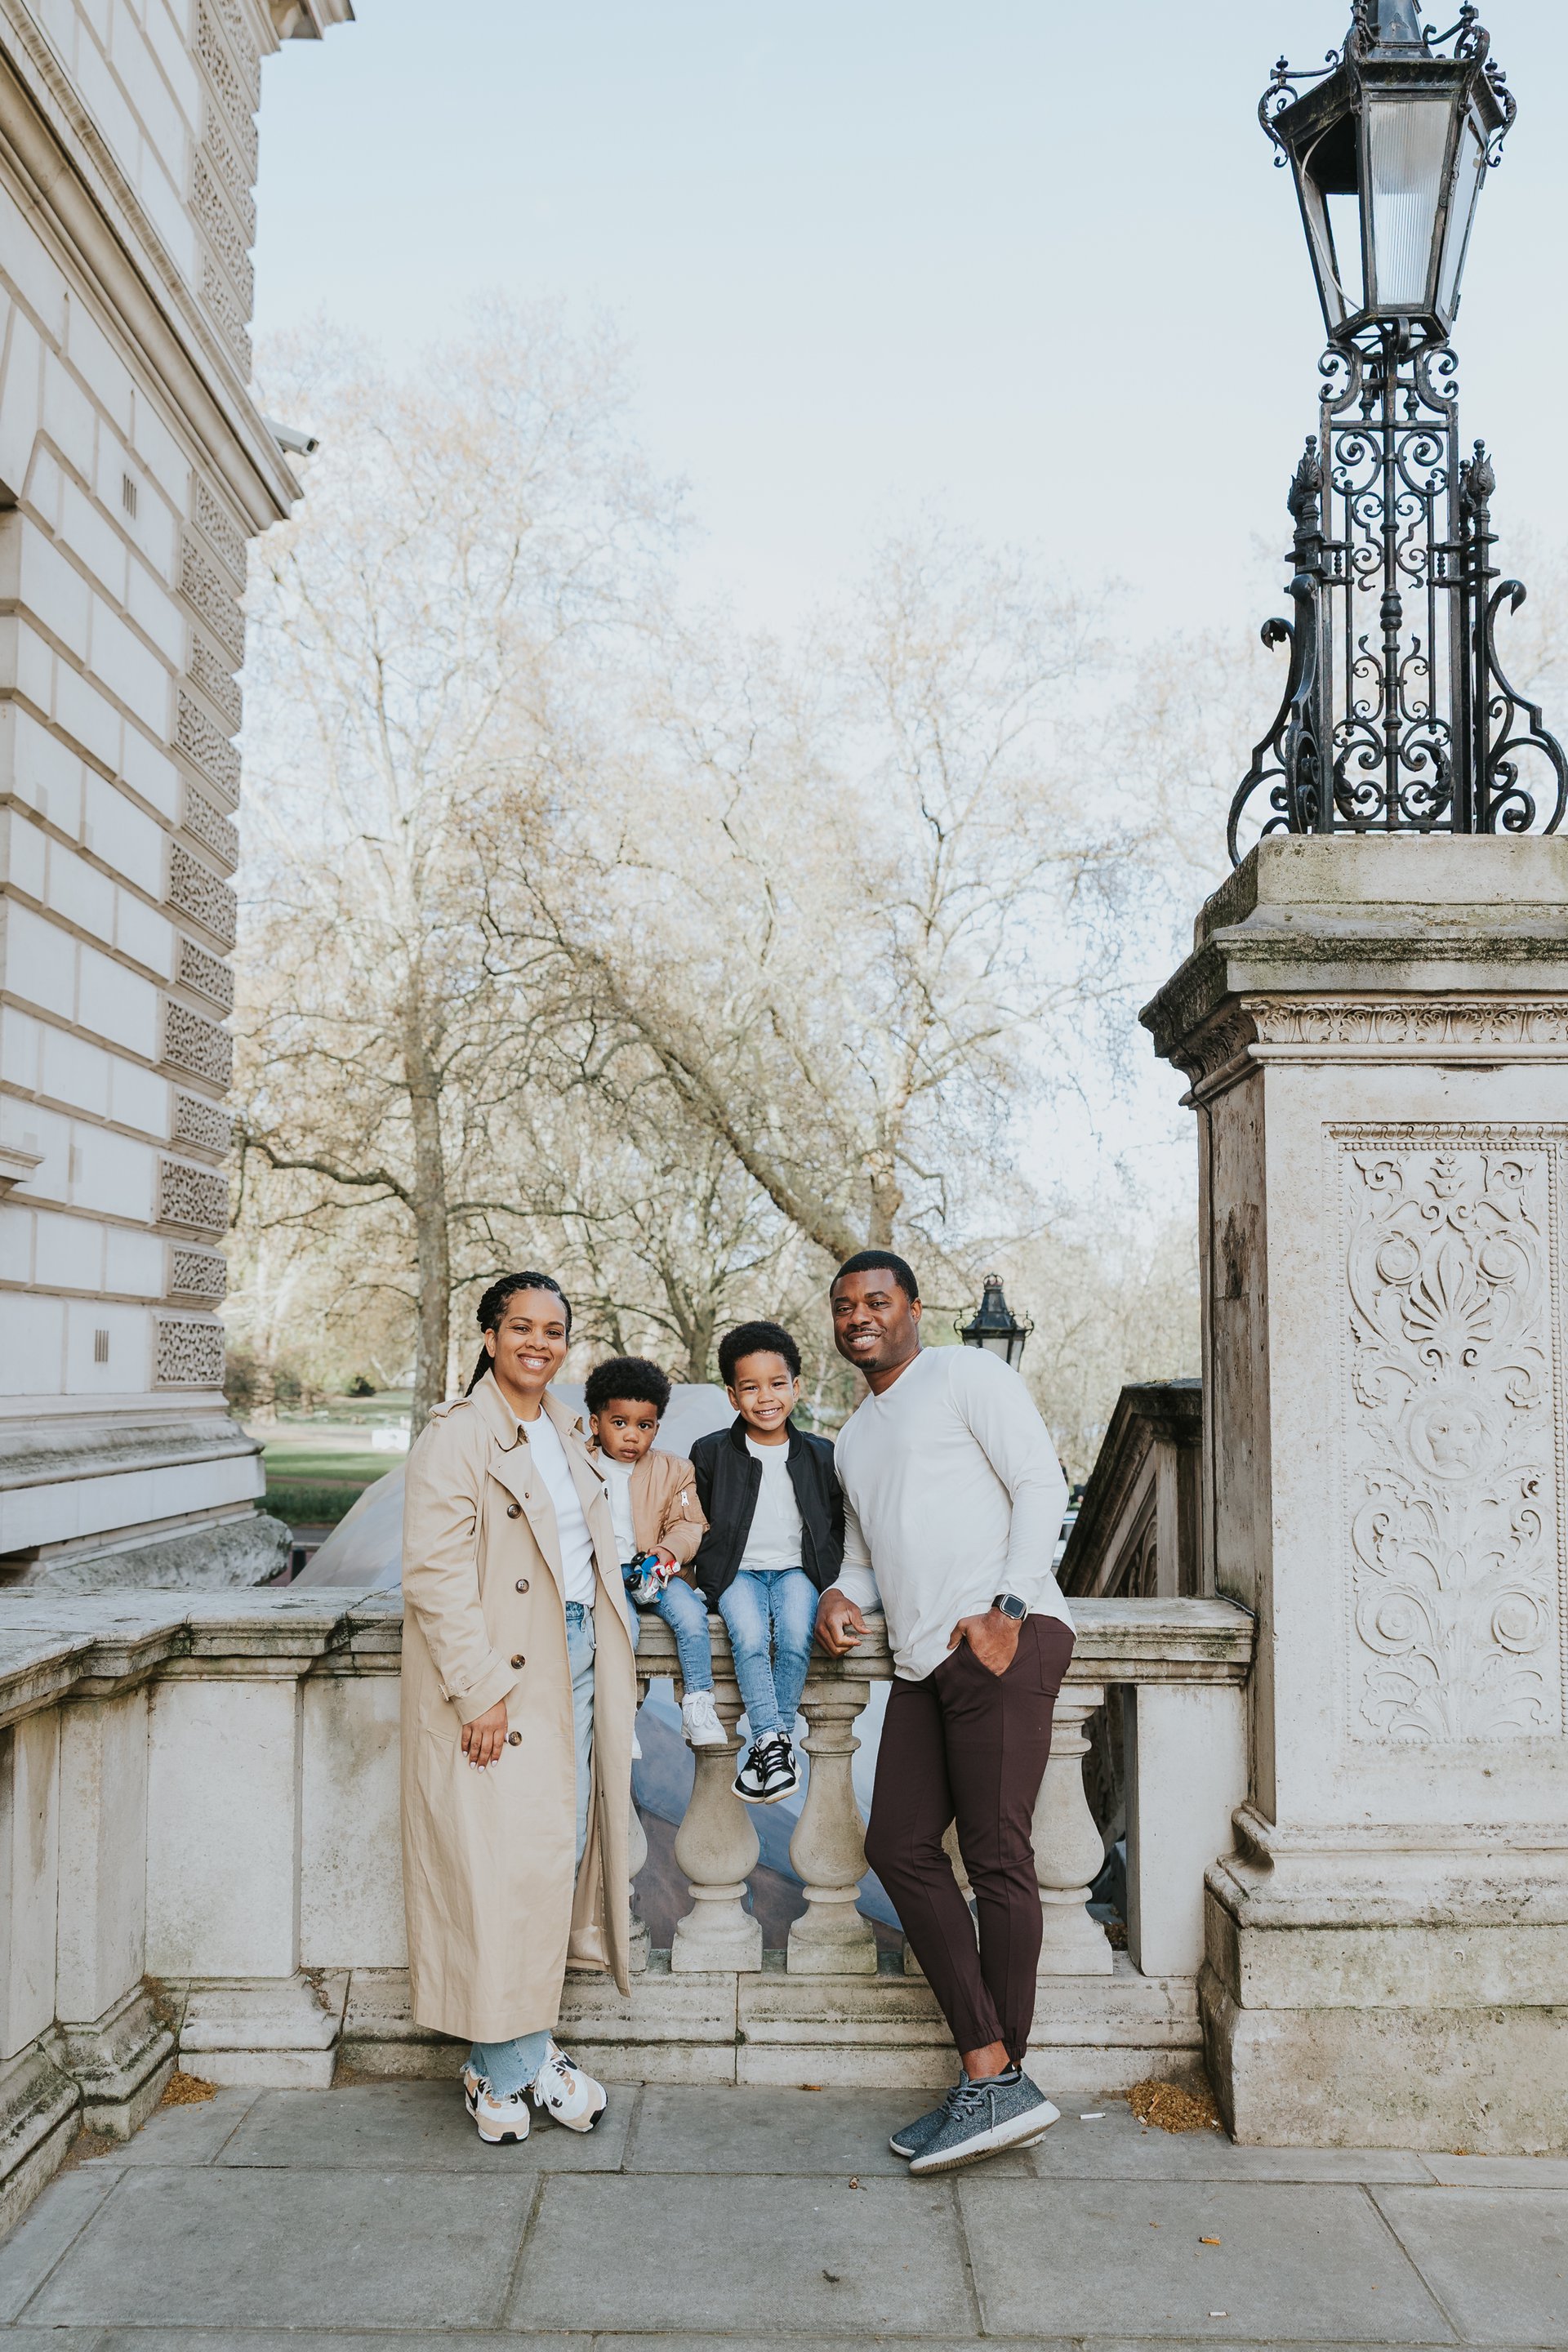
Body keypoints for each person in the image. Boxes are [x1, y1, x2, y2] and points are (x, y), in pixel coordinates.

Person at [815, 1250, 1075, 2177]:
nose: (859, 1317)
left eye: (877, 1301)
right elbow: (862, 1556)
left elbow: (1043, 1484)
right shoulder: (852, 1439)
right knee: (898, 1846)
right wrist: (838, 1597)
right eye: (844, 1306)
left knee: (998, 1857)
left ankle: (998, 2082)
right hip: (923, 1663)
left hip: (1004, 1640)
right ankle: (992, 2072)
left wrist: (1009, 1610)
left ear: (915, 1308)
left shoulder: (967, 1374)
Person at [399, 1272, 635, 2147]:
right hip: (504, 1670)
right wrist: (480, 1688)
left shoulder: (566, 1428)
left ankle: (520, 2056)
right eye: (522, 1327)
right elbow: (434, 1573)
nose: (539, 1343)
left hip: (577, 1659)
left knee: (554, 1857)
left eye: (554, 1330)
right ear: (490, 1337)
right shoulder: (457, 1435)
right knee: (500, 1868)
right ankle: (509, 2067)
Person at [689, 1320, 844, 1805]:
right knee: (751, 1638)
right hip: (736, 1574)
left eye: (777, 1384)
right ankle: (775, 1743)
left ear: (796, 1387)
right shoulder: (711, 1452)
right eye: (751, 1387)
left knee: (796, 1636)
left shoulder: (821, 1454)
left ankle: (769, 1746)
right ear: (733, 1396)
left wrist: (834, 1580)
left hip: (798, 1571)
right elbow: (696, 1520)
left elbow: (837, 1523)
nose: (766, 1397)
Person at [583, 1354, 724, 1750]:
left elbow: (690, 1524)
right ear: (595, 1423)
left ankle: (698, 1703)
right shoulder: (577, 1464)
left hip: (655, 1569)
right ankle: (621, 1716)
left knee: (692, 1617)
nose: (632, 1436)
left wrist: (667, 1551)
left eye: (643, 1426)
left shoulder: (674, 1470)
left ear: (656, 1427)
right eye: (619, 1423)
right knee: (621, 1629)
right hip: (603, 1574)